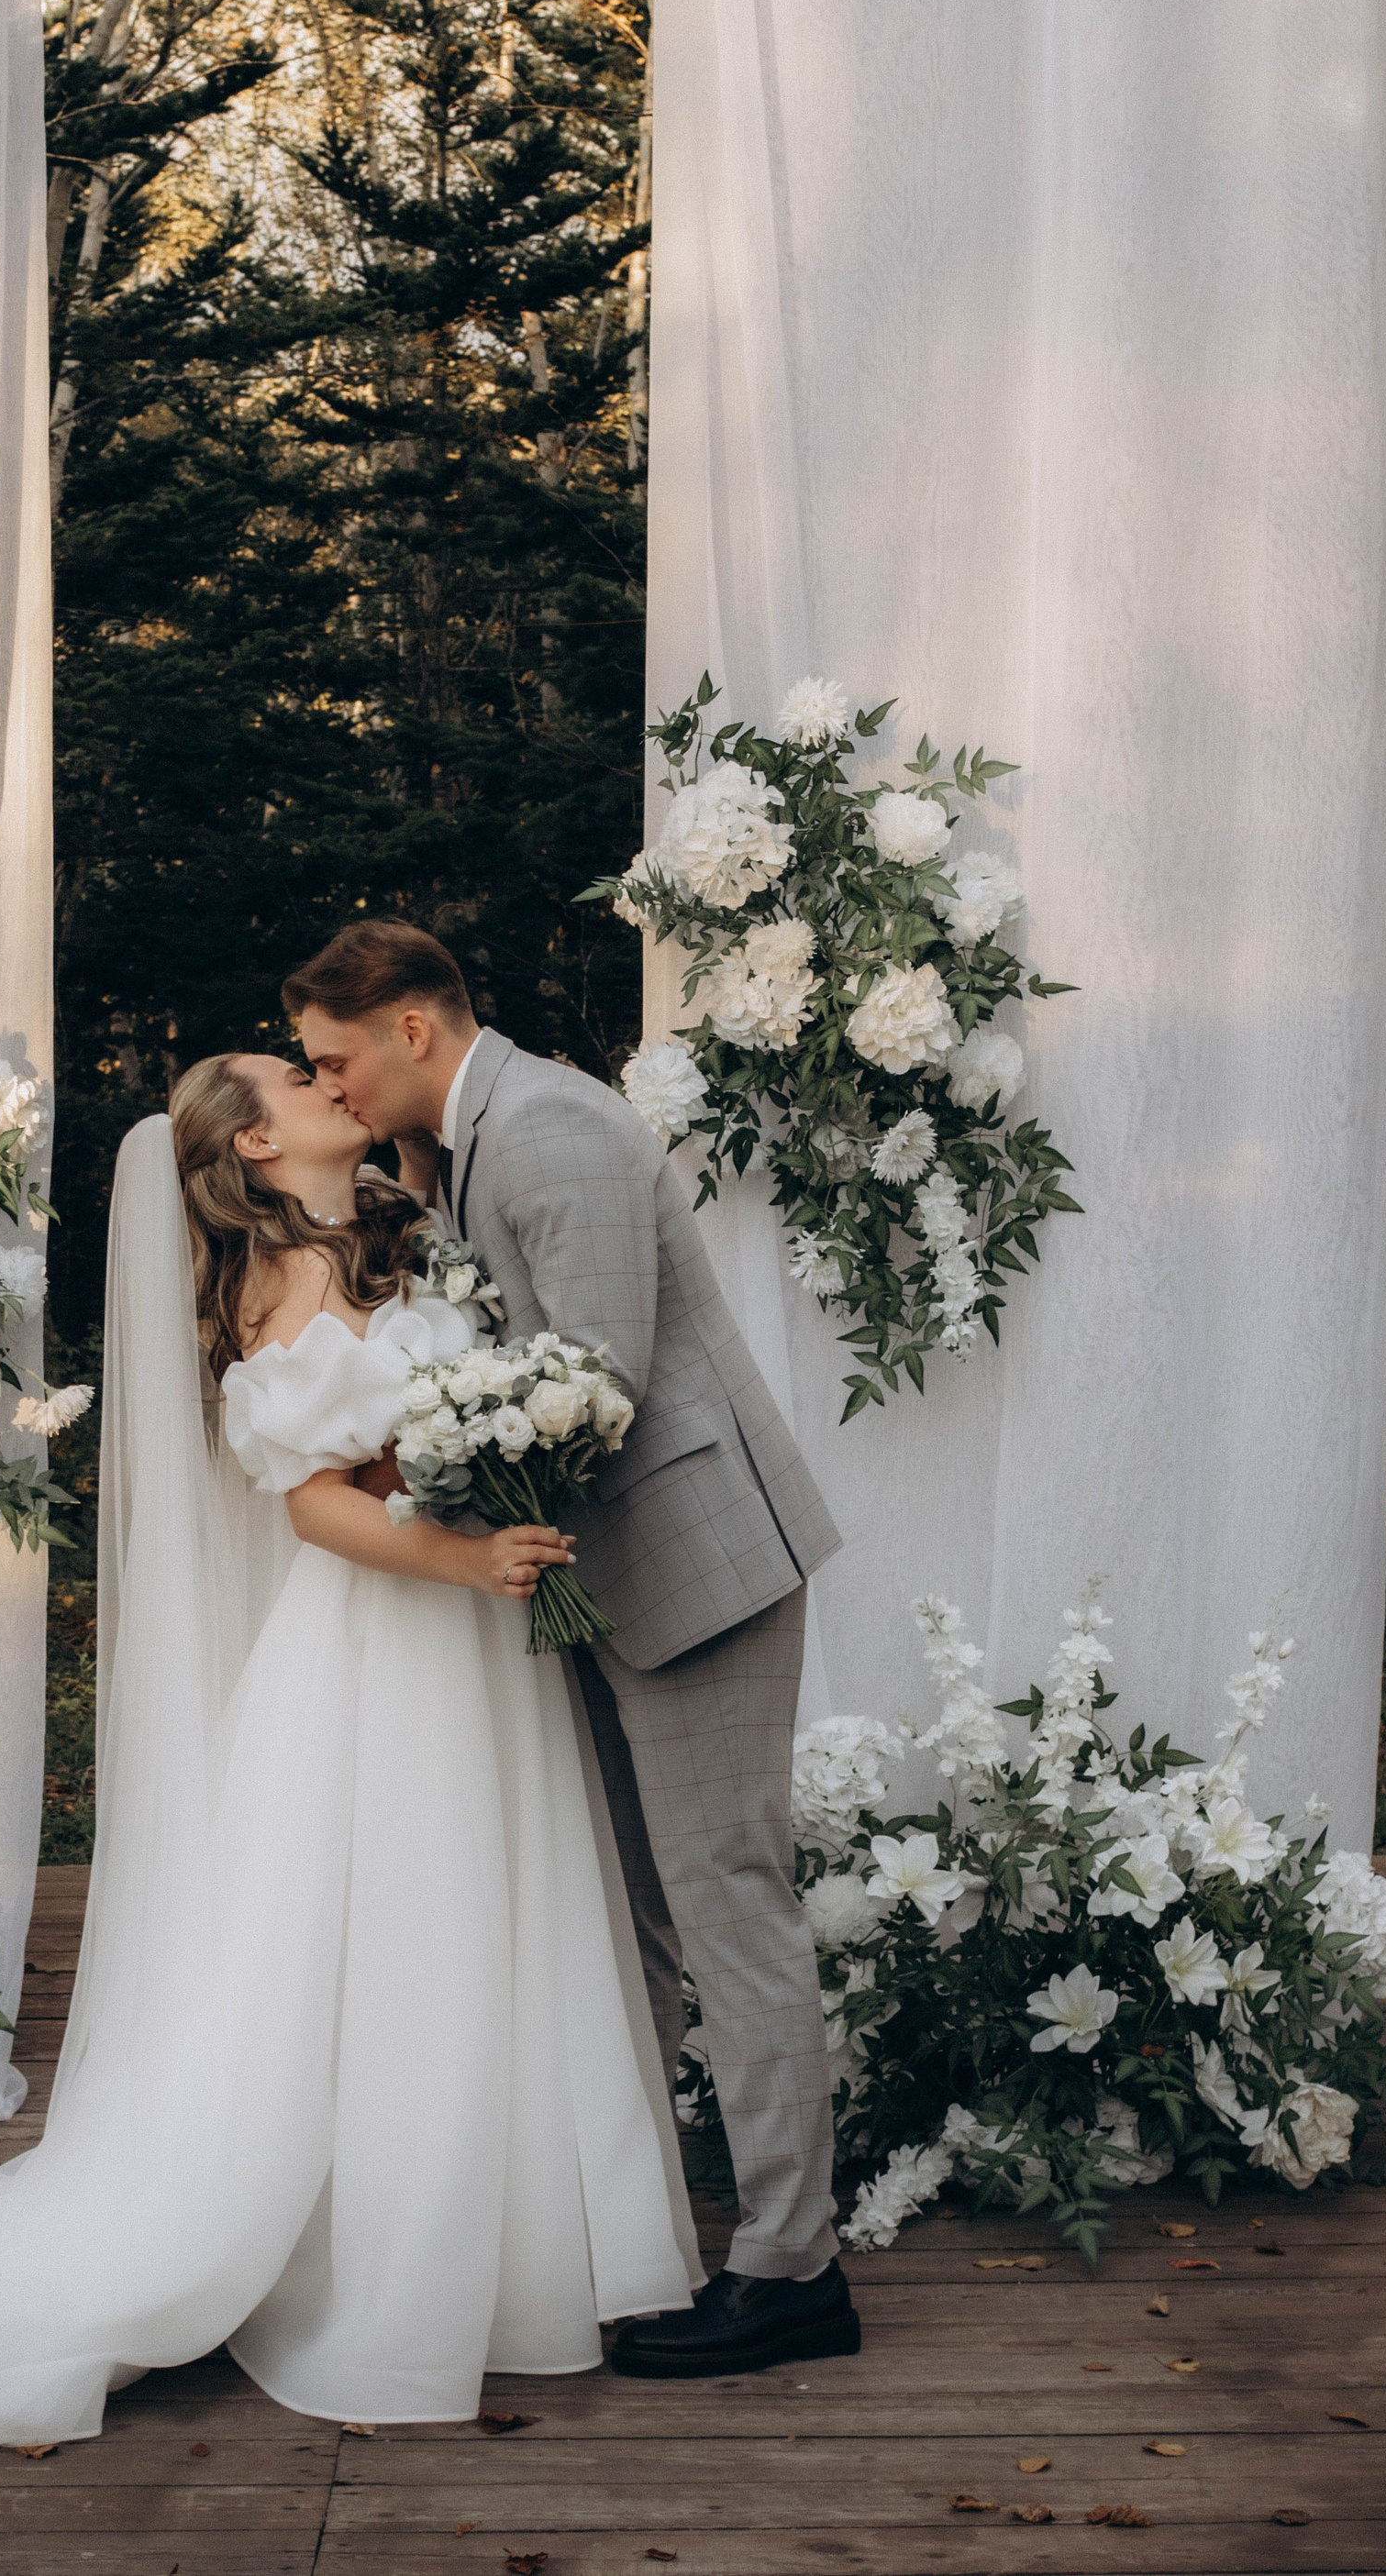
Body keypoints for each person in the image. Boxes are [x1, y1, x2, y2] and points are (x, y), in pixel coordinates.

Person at [0, 1054, 697, 2456]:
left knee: (492, 1913)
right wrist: (468, 1546)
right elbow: (316, 1508)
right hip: (391, 1632)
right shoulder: (270, 1292)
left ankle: (514, 2247)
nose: (324, 1078)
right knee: (403, 1929)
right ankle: (392, 2270)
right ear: (253, 1140)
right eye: (291, 1075)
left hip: (473, 1639)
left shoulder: (392, 1232)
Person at [285, 916, 858, 2379]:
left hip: (698, 1572)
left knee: (730, 1904)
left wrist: (415, 1493)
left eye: (336, 1057)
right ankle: (649, 2229)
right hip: (610, 1578)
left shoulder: (545, 1129)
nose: (329, 1084)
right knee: (642, 1914)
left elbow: (589, 1386)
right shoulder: (456, 1152)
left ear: (415, 1026)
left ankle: (795, 2270)